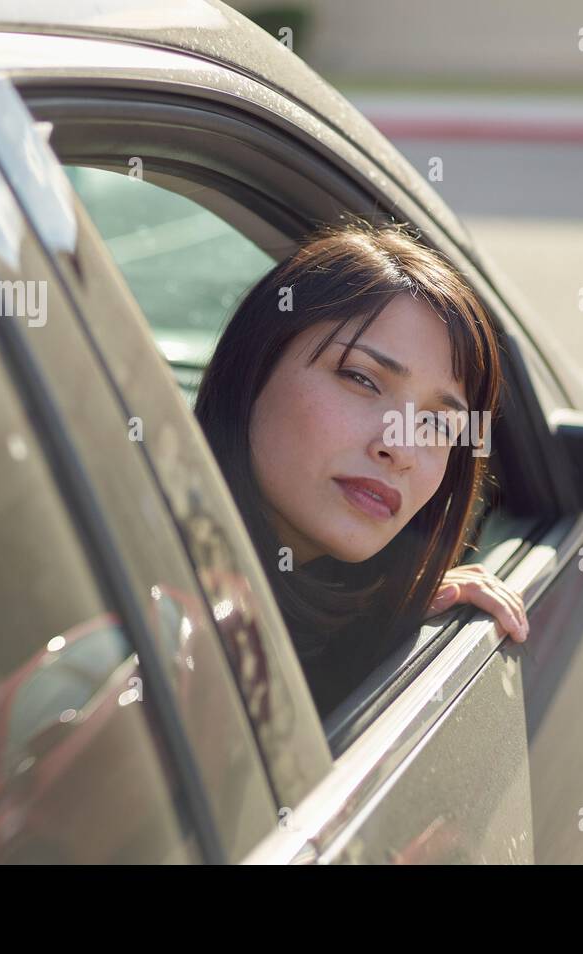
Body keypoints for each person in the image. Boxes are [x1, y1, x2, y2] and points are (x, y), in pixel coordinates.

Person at [194, 222, 528, 716]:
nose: (402, 448)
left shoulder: (345, 618)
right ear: (253, 366)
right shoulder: (161, 613)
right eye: (361, 379)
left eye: (438, 423)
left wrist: (399, 613)